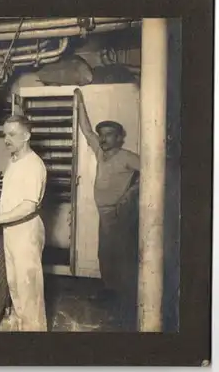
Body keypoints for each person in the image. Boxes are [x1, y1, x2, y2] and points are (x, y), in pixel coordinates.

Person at [74, 88, 140, 329]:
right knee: (106, 255)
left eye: (109, 135)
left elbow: (153, 173)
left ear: (119, 138)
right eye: (102, 135)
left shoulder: (127, 156)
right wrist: (79, 102)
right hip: (104, 214)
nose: (103, 138)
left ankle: (123, 303)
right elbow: (86, 129)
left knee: (120, 257)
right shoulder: (101, 153)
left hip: (119, 214)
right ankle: (110, 293)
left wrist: (130, 195)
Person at [0, 115, 48, 332]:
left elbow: (28, 206)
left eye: (12, 134)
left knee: (29, 290)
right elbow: (13, 197)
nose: (6, 139)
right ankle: (20, 331)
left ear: (26, 135)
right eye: (5, 134)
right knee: (15, 285)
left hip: (26, 230)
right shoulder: (14, 161)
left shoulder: (33, 165)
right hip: (11, 228)